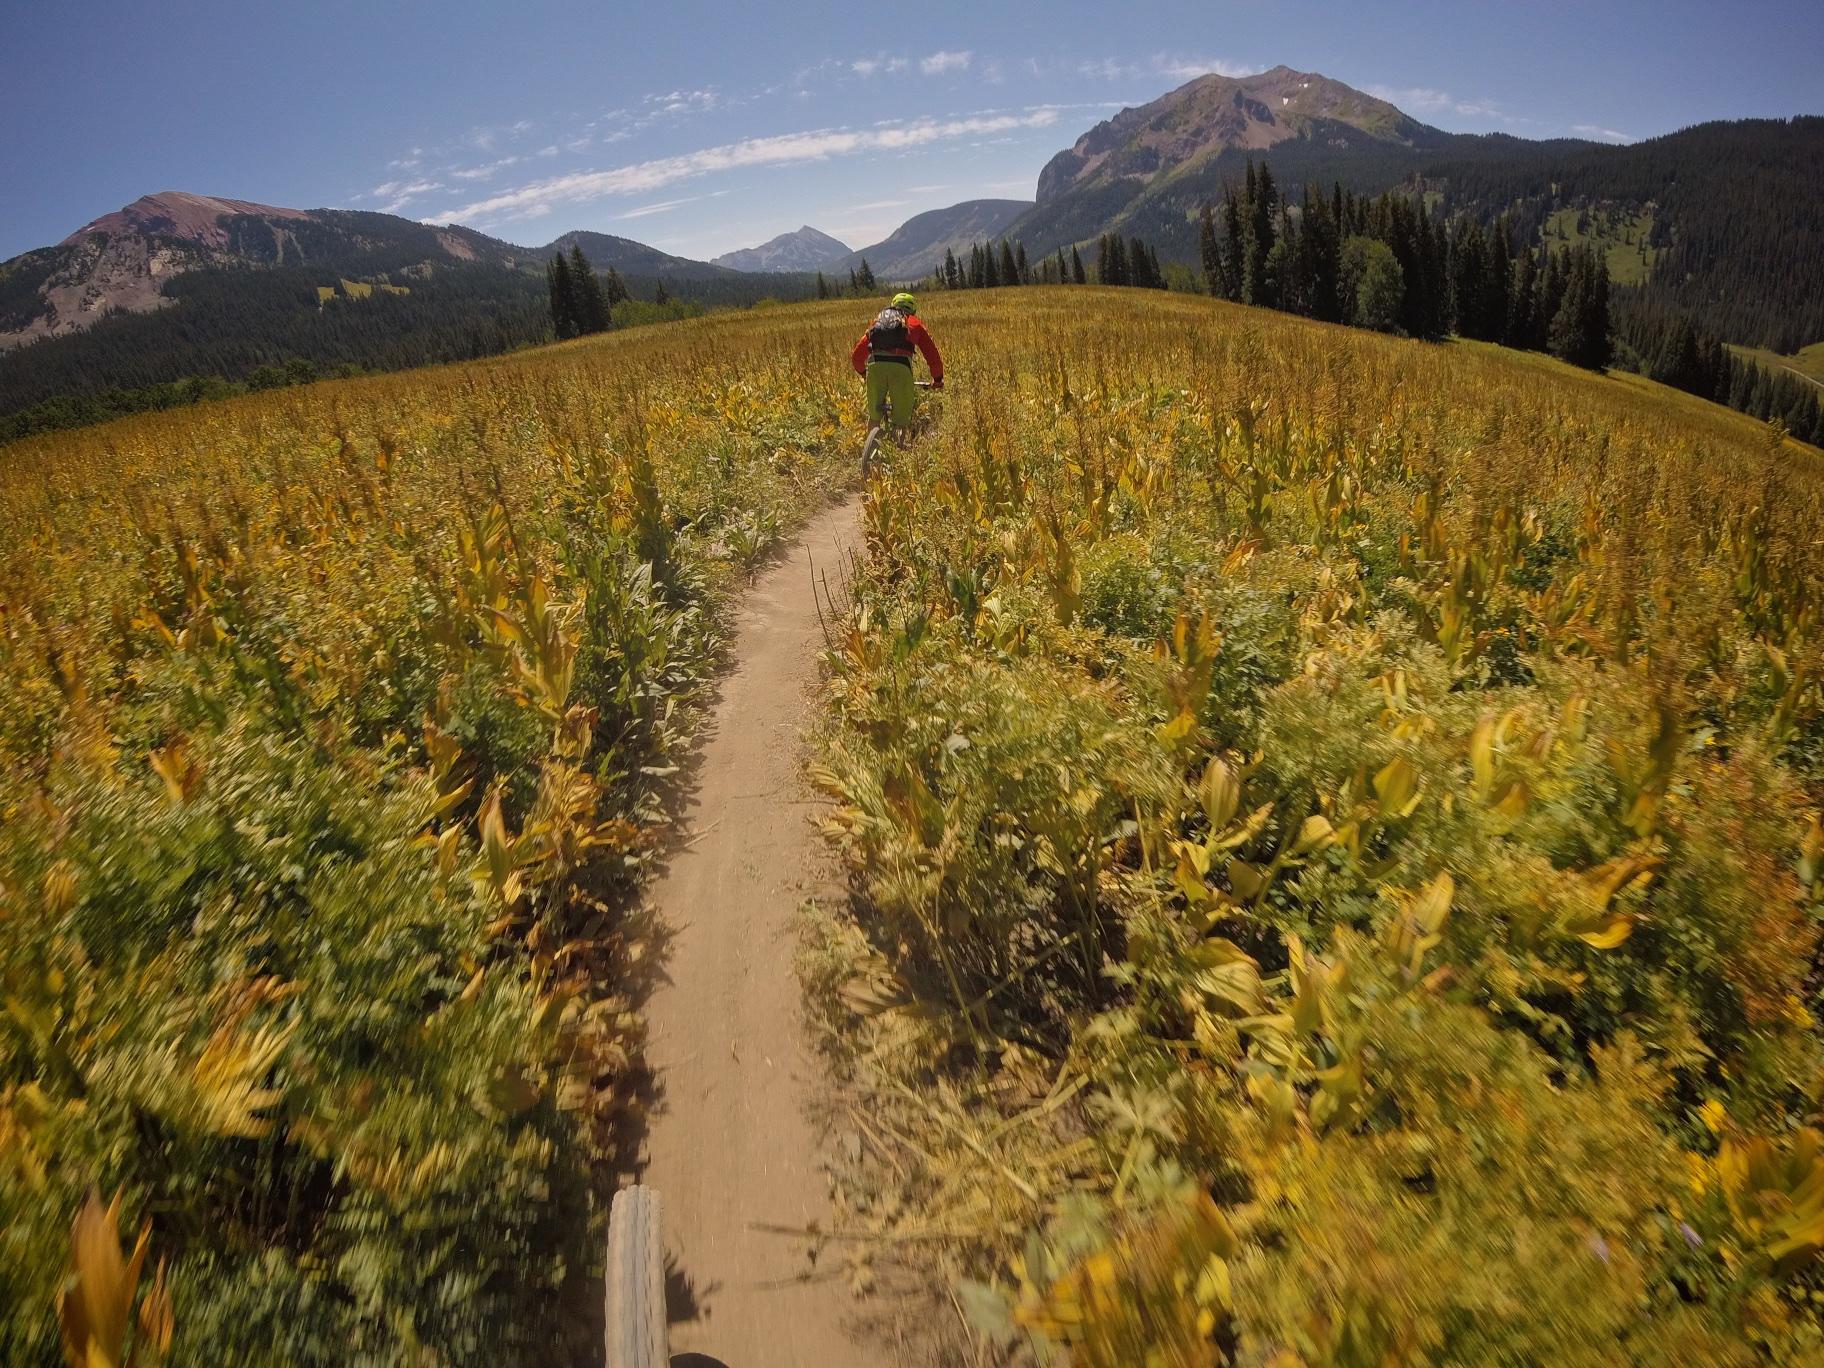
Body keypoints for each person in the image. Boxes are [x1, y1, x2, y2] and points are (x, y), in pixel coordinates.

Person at [851, 292, 942, 430]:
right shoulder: (915, 323)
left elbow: (857, 356)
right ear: (913, 310)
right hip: (901, 368)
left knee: (874, 414)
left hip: (875, 365)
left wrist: (863, 373)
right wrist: (937, 379)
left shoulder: (878, 323)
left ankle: (871, 444)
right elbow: (932, 355)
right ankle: (899, 444)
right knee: (902, 413)